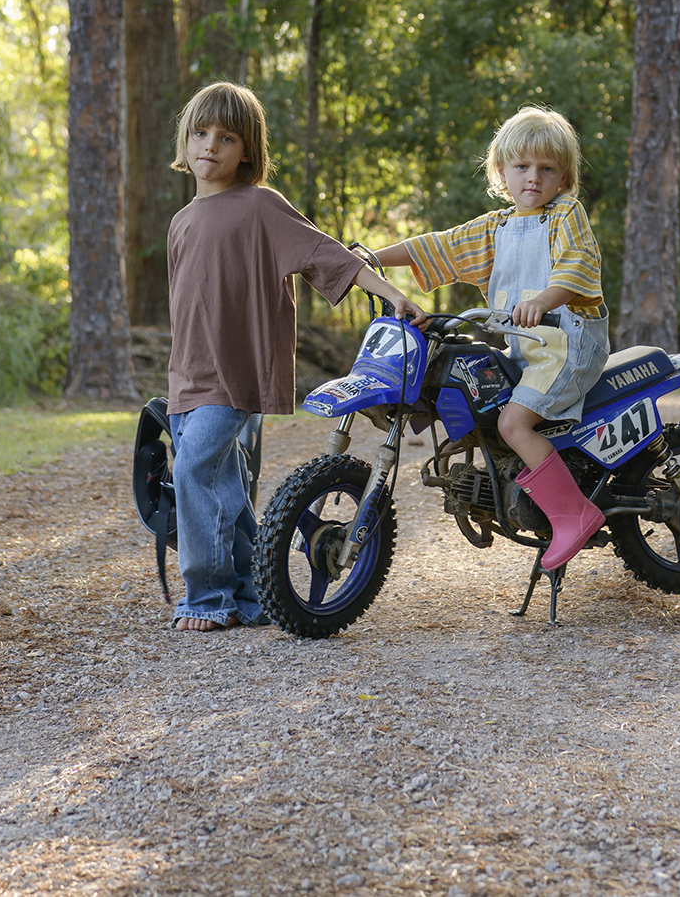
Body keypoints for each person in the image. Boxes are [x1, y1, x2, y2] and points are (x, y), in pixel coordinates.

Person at [166, 80, 425, 632]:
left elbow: (325, 254)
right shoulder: (181, 222)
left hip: (233, 376)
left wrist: (393, 294)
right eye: (200, 132)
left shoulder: (260, 206)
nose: (210, 144)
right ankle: (252, 594)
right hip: (187, 376)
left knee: (193, 472)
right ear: (185, 143)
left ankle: (205, 598)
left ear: (248, 152)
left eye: (227, 136)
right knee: (225, 488)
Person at [372, 105, 609, 570]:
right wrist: (366, 259)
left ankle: (573, 514)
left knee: (512, 424)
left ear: (564, 178)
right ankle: (513, 490)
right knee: (482, 398)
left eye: (547, 169)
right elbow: (436, 245)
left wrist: (543, 299)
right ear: (502, 173)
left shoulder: (566, 215)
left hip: (570, 347)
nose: (533, 179)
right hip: (529, 351)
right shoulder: (495, 228)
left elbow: (578, 266)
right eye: (522, 167)